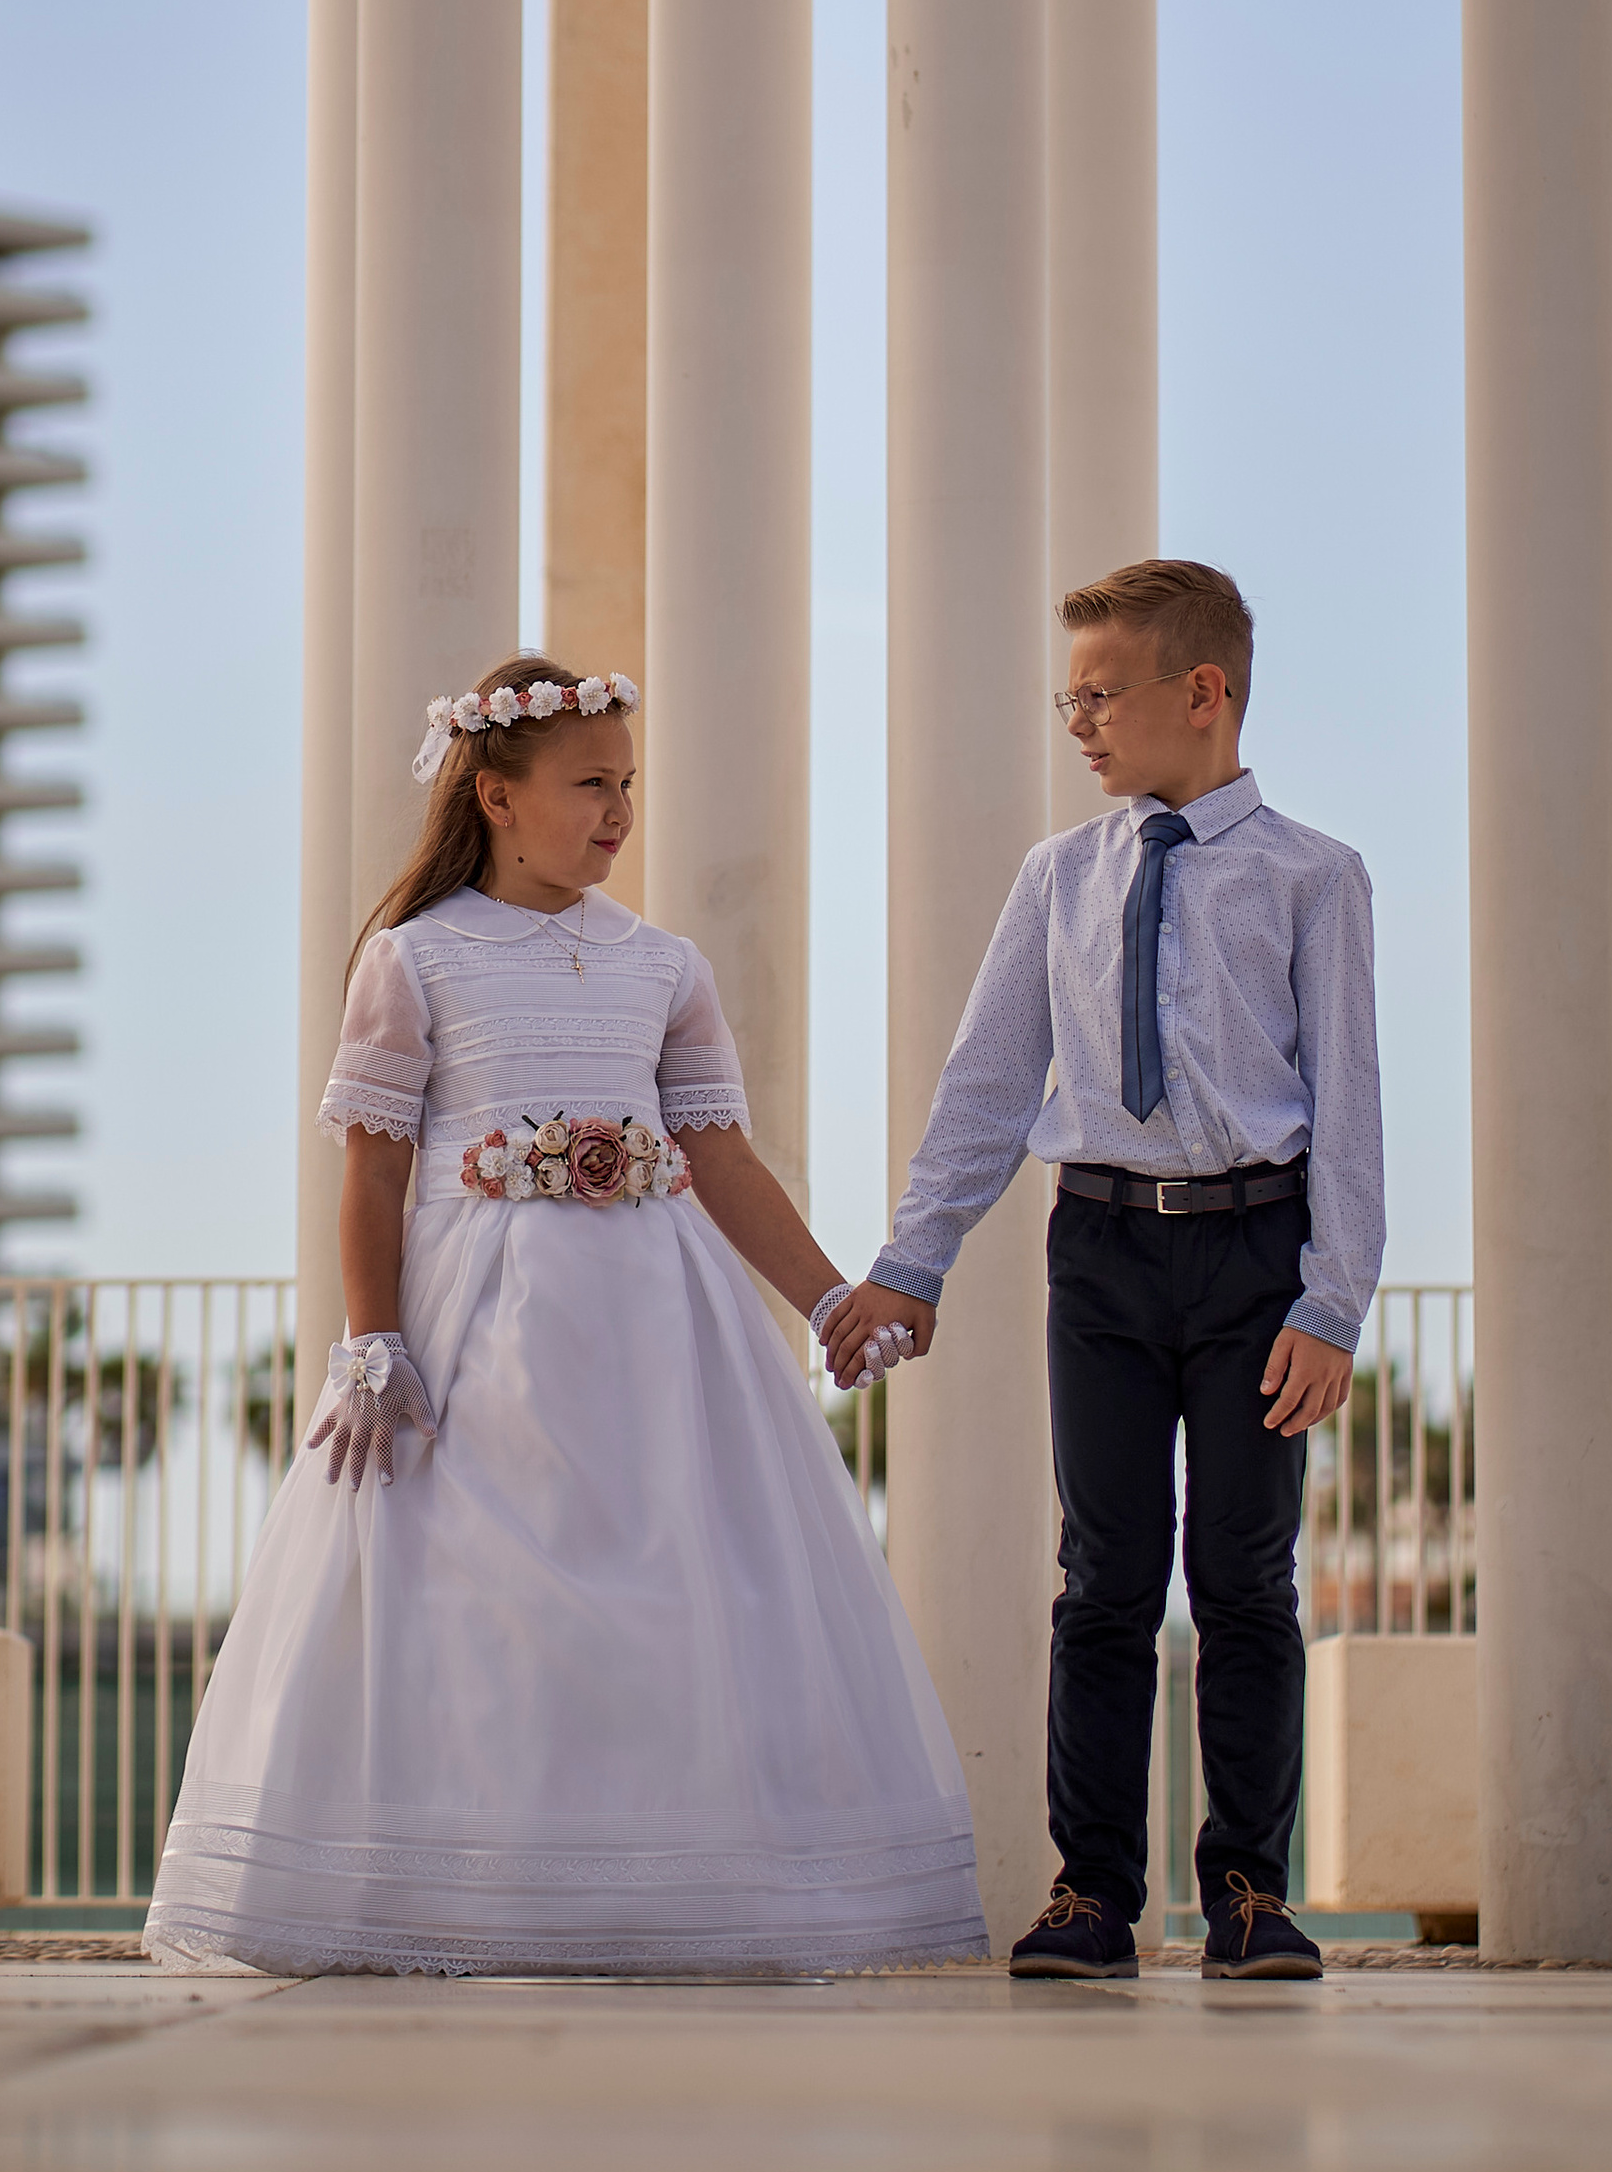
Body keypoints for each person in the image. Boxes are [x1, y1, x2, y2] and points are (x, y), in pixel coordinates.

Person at [145, 653, 985, 1978]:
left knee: (674, 1586)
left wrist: (827, 1298)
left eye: (627, 785)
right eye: (591, 784)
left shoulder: (663, 965)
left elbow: (720, 1156)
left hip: (660, 1326)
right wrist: (374, 1342)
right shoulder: (414, 959)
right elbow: (373, 1173)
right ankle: (470, 1894)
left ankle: (662, 1892)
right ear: (496, 794)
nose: (617, 812)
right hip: (482, 1325)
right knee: (480, 1600)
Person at [829, 559, 1382, 1984]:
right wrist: (913, 1262)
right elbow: (993, 1077)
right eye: (1063, 698)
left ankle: (1252, 1890)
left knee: (1249, 1577)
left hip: (1260, 1254)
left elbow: (1352, 1100)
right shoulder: (1059, 877)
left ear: (1200, 693)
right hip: (1105, 1248)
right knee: (1104, 1577)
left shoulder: (1314, 877)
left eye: (1098, 694)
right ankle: (1093, 1894)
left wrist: (1333, 1300)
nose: (1076, 724)